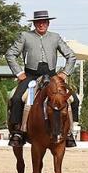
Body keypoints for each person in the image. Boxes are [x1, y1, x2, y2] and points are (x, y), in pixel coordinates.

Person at [5, 10, 78, 147]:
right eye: (38, 22)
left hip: (52, 76)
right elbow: (10, 54)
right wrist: (19, 72)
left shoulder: (55, 37)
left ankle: (68, 133)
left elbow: (71, 56)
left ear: (48, 23)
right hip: (31, 76)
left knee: (73, 99)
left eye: (44, 22)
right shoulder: (25, 36)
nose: (41, 24)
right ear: (34, 23)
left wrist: (65, 73)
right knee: (17, 98)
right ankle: (17, 132)